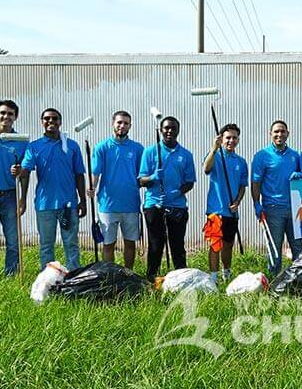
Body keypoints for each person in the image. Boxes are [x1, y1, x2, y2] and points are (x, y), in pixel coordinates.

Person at [19, 108, 86, 271]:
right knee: (46, 245)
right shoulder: (34, 147)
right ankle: (48, 279)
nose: (51, 121)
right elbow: (25, 173)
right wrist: (22, 199)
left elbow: (79, 175)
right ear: (42, 122)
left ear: (60, 122)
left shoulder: (71, 145)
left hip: (68, 205)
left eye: (54, 118)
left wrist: (82, 200)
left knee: (71, 244)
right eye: (47, 119)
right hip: (45, 205)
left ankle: (74, 278)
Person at [139, 116, 195, 281]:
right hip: (154, 205)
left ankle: (181, 281)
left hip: (177, 207)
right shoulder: (150, 152)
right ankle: (151, 280)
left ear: (178, 130)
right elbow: (141, 180)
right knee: (156, 245)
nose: (169, 131)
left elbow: (189, 182)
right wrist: (153, 178)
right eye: (166, 128)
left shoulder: (185, 155)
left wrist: (176, 193)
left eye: (173, 128)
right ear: (161, 130)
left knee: (177, 246)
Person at [88, 111, 144, 269]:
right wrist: (92, 187)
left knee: (130, 244)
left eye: (126, 123)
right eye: (119, 122)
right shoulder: (102, 147)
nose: (122, 126)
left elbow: (142, 175)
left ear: (130, 126)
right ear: (113, 123)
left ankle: (128, 274)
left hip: (131, 205)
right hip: (107, 205)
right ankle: (109, 277)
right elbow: (96, 173)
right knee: (108, 244)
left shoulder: (138, 149)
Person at [251, 120, 302, 276]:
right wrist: (256, 203)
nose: (279, 134)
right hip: (273, 209)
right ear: (270, 134)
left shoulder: (295, 156)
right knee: (275, 249)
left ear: (288, 133)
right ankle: (274, 283)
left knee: (298, 248)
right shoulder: (262, 156)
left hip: (295, 209)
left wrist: (301, 176)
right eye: (276, 132)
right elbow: (255, 182)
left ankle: (298, 281)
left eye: (282, 131)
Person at [0, 100, 28, 277]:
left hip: (10, 196)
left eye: (10, 114)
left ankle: (11, 275)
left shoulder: (20, 142)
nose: (6, 117)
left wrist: (22, 198)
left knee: (12, 242)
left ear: (15, 117)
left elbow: (25, 174)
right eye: (2, 113)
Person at [203, 123, 248, 282]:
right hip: (215, 210)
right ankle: (213, 278)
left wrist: (237, 202)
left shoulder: (241, 162)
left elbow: (243, 185)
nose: (231, 141)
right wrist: (214, 149)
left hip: (232, 211)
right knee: (215, 245)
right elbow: (206, 169)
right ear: (221, 139)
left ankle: (226, 275)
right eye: (228, 137)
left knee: (228, 244)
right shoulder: (215, 155)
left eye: (234, 137)